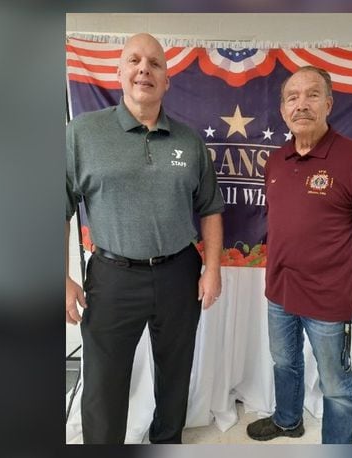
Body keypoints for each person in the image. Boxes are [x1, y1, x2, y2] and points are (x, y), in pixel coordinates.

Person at [64, 33, 224, 444]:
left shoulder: (190, 141)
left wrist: (213, 269)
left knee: (175, 373)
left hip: (179, 273)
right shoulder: (82, 133)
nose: (144, 70)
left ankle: (167, 441)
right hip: (113, 276)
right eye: (134, 61)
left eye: (155, 63)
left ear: (167, 80)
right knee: (103, 383)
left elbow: (210, 209)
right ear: (119, 72)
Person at [247, 66, 352, 444]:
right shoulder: (276, 161)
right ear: (282, 111)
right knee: (285, 364)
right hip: (279, 293)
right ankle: (287, 421)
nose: (301, 104)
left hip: (328, 300)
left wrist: (337, 265)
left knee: (336, 386)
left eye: (311, 95)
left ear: (328, 103)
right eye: (292, 97)